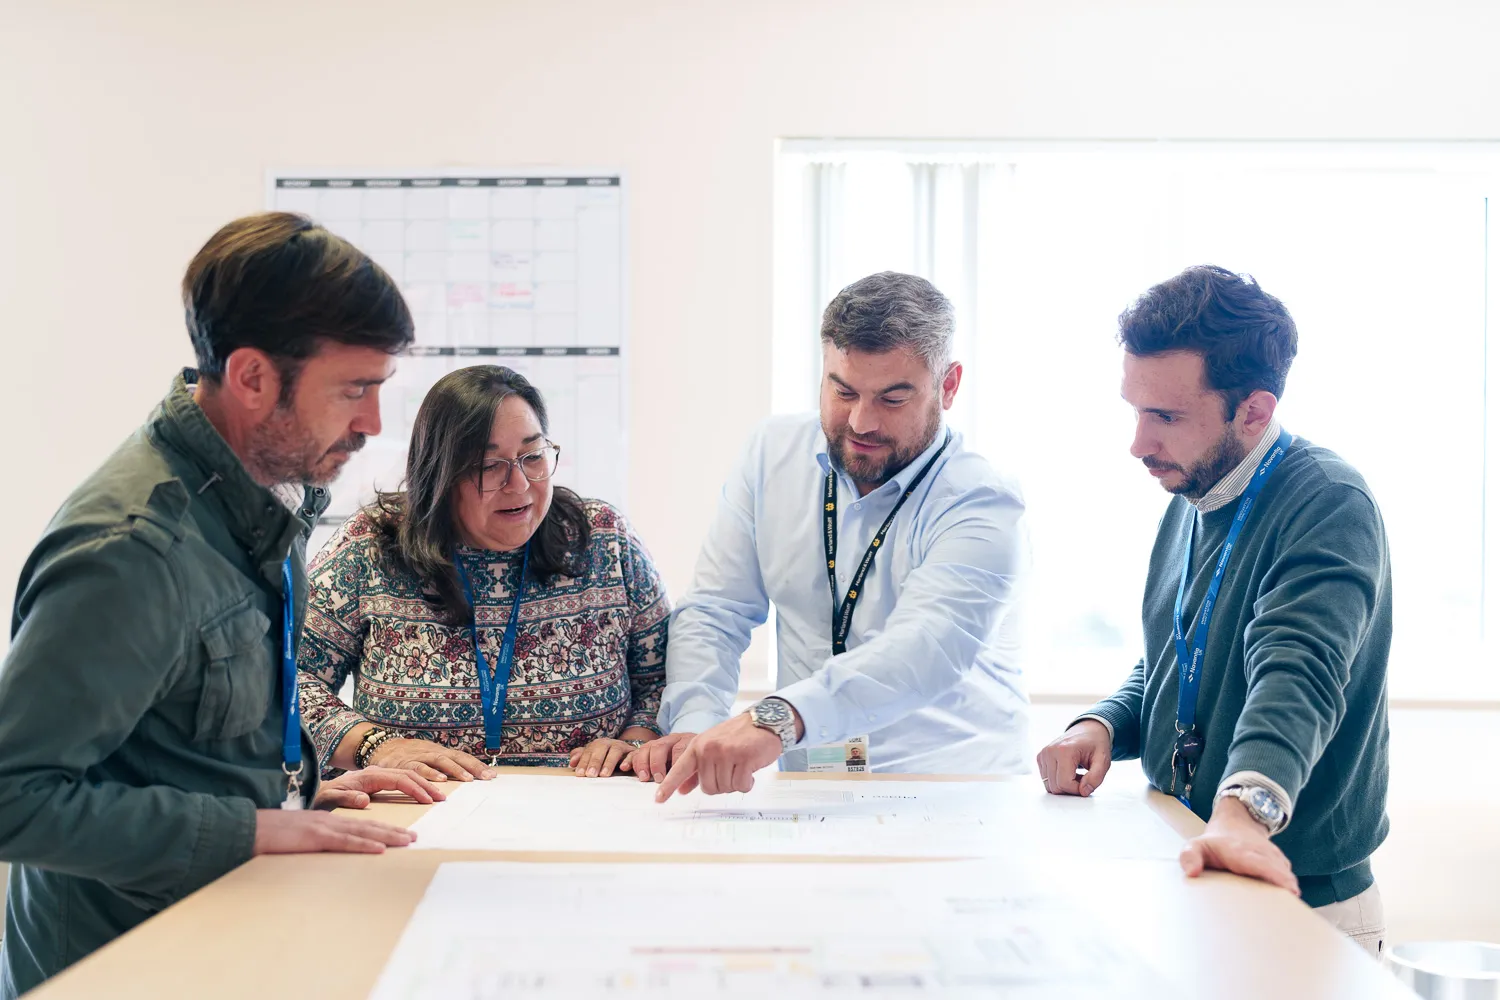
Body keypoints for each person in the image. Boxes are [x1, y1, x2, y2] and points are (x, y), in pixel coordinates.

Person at [0, 212, 448, 998]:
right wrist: (244, 826)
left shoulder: (263, 499)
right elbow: (12, 798)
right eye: (354, 390)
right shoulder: (132, 550)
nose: (375, 424)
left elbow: (180, 732)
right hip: (122, 967)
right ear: (251, 379)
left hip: (222, 936)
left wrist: (289, 794)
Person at [1035, 265, 1391, 956]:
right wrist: (1106, 723)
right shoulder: (1195, 492)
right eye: (1134, 411)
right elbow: (1184, 652)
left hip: (1300, 906)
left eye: (1165, 417)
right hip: (1200, 872)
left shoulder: (1327, 502)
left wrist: (1243, 815)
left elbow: (1299, 671)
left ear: (1253, 411)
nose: (1138, 443)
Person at [645, 271, 1029, 797]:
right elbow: (716, 608)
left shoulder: (981, 500)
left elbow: (922, 649)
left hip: (951, 789)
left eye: (893, 399)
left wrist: (775, 720)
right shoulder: (773, 453)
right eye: (842, 390)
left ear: (949, 386)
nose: (862, 422)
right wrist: (694, 722)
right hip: (808, 787)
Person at [297, 365, 669, 782]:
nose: (520, 485)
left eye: (532, 456)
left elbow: (663, 680)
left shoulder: (603, 538)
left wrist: (636, 742)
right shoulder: (370, 546)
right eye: (488, 466)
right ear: (439, 473)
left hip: (583, 812)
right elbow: (285, 682)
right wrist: (375, 746)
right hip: (417, 812)